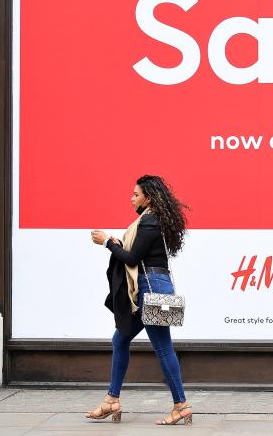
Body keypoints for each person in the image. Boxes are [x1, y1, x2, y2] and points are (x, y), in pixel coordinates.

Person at [84, 174, 193, 426]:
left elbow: (132, 259)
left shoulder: (150, 221)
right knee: (120, 338)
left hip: (150, 289)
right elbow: (136, 254)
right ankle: (112, 399)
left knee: (163, 347)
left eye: (136, 194)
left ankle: (181, 405)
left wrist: (107, 244)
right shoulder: (149, 220)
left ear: (148, 197)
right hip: (151, 286)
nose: (131, 198)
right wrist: (115, 244)